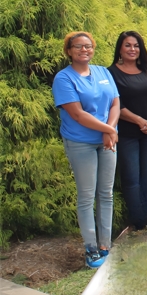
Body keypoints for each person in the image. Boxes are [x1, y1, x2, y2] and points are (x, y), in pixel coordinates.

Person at [53, 32, 120, 268]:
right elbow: (78, 114)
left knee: (106, 194)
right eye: (78, 46)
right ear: (69, 50)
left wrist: (109, 130)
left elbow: (115, 102)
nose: (84, 50)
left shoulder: (103, 72)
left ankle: (105, 245)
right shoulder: (64, 78)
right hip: (80, 142)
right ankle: (91, 248)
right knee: (86, 196)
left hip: (107, 140)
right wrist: (109, 130)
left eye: (88, 46)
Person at [108, 31, 147, 232]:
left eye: (136, 46)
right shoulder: (111, 73)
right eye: (128, 45)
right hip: (126, 134)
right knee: (131, 177)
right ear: (120, 49)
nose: (133, 49)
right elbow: (115, 104)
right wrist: (139, 120)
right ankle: (138, 220)